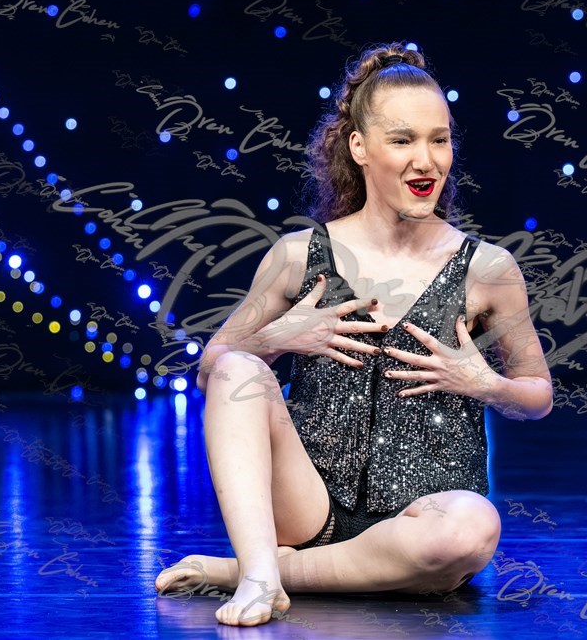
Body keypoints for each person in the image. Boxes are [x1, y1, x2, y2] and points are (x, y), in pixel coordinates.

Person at [153, 43, 553, 627]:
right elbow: (212, 366)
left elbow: (537, 395)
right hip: (308, 508)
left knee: (472, 526)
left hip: (425, 525)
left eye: (439, 140)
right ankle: (263, 575)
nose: (426, 160)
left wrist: (484, 382)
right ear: (360, 148)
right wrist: (280, 335)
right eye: (403, 140)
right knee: (239, 367)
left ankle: (247, 571)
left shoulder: (487, 268)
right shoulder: (298, 255)